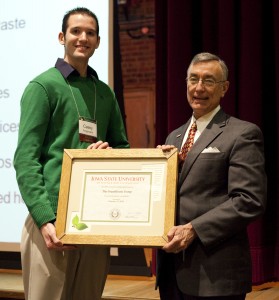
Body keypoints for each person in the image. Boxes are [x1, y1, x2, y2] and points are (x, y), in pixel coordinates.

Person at [14, 7, 129, 300]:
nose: (83, 38)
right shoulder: (43, 86)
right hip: (51, 222)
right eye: (76, 31)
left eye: (90, 33)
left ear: (98, 41)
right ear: (62, 37)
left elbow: (122, 148)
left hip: (96, 218)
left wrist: (108, 154)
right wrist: (44, 219)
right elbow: (25, 160)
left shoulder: (105, 93)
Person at [156, 52, 266, 300]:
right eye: (193, 79)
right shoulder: (172, 138)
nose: (199, 87)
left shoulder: (242, 133)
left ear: (224, 88)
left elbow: (249, 200)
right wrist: (157, 170)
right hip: (171, 273)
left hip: (215, 276)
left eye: (208, 81)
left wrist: (193, 229)